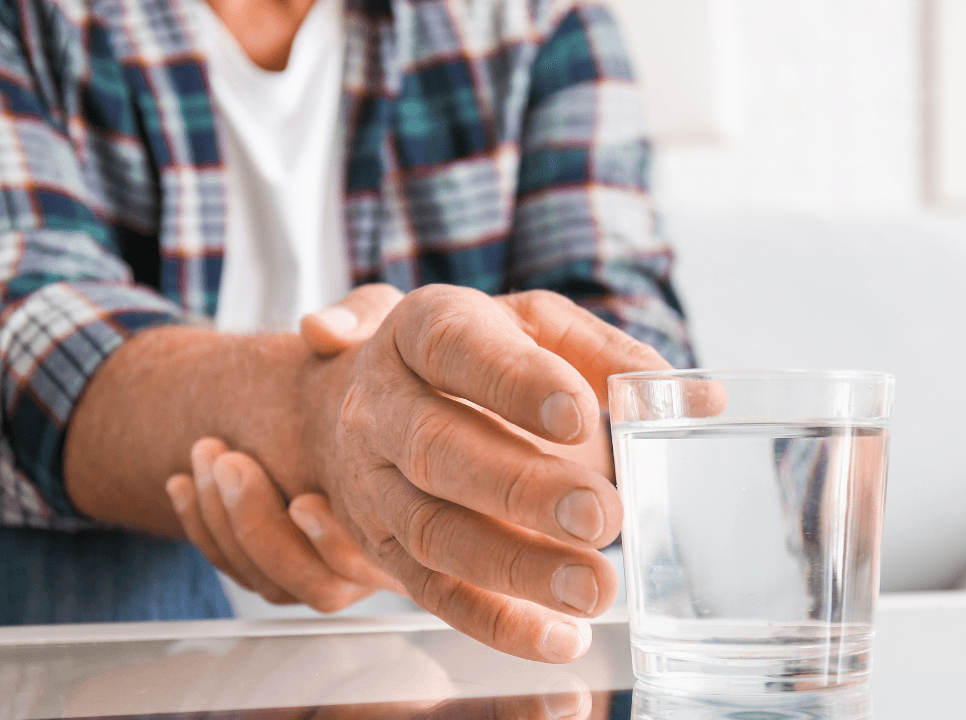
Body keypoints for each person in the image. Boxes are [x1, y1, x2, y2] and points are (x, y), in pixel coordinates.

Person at [0, 0, 694, 664]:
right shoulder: (34, 20)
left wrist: (452, 417)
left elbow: (638, 378)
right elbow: (25, 328)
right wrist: (321, 423)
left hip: (461, 667)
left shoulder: (543, 25)